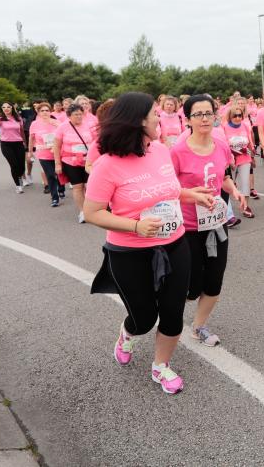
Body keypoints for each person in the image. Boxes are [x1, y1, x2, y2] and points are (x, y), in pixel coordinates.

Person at [85, 92, 213, 395]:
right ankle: (128, 334)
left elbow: (166, 189)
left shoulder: (159, 150)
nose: (161, 118)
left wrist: (192, 195)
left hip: (174, 244)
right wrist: (135, 226)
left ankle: (161, 367)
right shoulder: (107, 164)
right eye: (155, 114)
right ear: (137, 121)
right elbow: (92, 213)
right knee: (144, 318)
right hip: (129, 252)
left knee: (172, 312)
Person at [171, 94, 246, 347]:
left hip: (216, 222)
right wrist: (191, 197)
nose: (204, 118)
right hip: (188, 226)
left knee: (214, 281)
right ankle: (169, 318)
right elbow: (168, 188)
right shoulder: (177, 151)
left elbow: (223, 176)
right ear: (188, 119)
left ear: (215, 116)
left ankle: (199, 326)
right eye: (198, 114)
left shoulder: (221, 145)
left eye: (208, 113)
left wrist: (234, 191)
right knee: (190, 287)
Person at [54, 104, 94, 223]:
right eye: (76, 114)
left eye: (80, 114)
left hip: (88, 161)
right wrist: (57, 164)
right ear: (69, 116)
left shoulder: (88, 125)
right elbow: (56, 146)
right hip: (70, 161)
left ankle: (91, 209)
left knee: (90, 186)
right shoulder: (62, 127)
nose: (79, 116)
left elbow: (96, 142)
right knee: (78, 187)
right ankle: (82, 212)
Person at [222, 100, 255, 218]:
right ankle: (227, 209)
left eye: (239, 115)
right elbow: (224, 145)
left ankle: (245, 207)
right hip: (229, 159)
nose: (237, 118)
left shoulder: (245, 125)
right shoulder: (224, 127)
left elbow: (250, 142)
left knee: (245, 182)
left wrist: (253, 152)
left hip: (244, 157)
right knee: (229, 185)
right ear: (230, 116)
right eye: (235, 115)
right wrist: (230, 158)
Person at [28, 103, 61, 207]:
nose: (45, 112)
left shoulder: (56, 122)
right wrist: (30, 151)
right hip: (43, 154)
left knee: (59, 174)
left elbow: (63, 135)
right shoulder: (34, 124)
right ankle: (54, 197)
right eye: (42, 111)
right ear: (38, 113)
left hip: (57, 153)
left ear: (50, 111)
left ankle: (61, 188)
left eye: (47, 110)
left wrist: (58, 125)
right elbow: (31, 138)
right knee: (50, 175)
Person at [0, 103, 28, 193]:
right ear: (2, 109)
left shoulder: (18, 119)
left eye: (8, 107)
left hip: (18, 143)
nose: (6, 109)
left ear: (12, 108)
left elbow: (22, 132)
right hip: (6, 144)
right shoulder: (0, 118)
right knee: (14, 165)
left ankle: (20, 176)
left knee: (21, 166)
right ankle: (18, 185)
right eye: (3, 107)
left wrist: (25, 143)